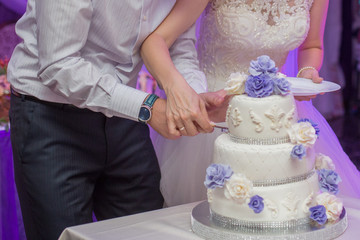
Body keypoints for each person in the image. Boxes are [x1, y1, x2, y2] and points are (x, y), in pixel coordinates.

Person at [7, 1, 230, 240]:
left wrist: (191, 98)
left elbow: (178, 48)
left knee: (149, 232)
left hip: (125, 113)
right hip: (52, 117)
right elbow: (59, 65)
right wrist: (149, 109)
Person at [141, 0, 360, 207]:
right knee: (219, 212)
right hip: (213, 114)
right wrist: (180, 90)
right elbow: (156, 40)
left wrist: (306, 72)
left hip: (278, 114)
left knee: (286, 209)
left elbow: (312, 46)